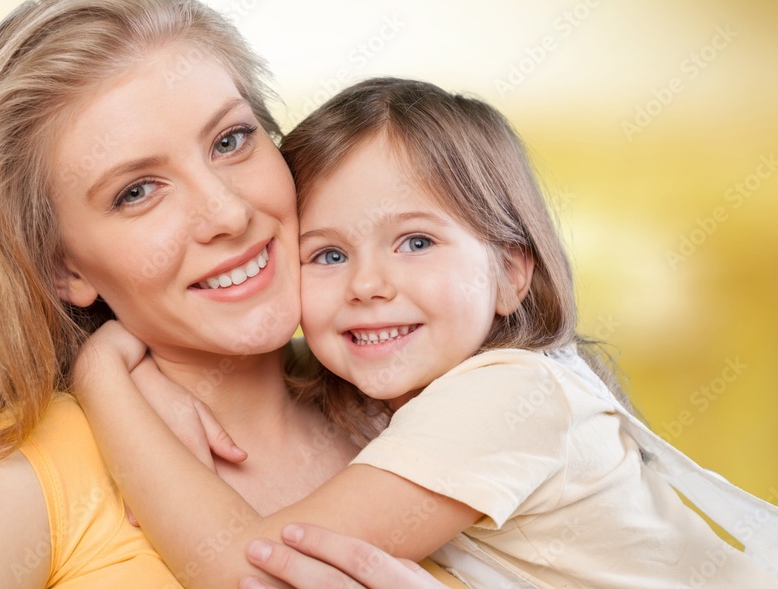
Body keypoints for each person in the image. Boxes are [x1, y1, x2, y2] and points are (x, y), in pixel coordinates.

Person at [0, 0, 458, 588]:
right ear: (66, 270)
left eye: (231, 140)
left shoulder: (419, 404)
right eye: (136, 192)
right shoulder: (18, 485)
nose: (227, 213)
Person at [73, 77, 778, 587]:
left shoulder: (506, 399)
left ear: (510, 272)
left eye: (415, 242)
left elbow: (253, 570)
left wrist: (104, 376)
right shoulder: (406, 396)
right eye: (328, 254)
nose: (368, 285)